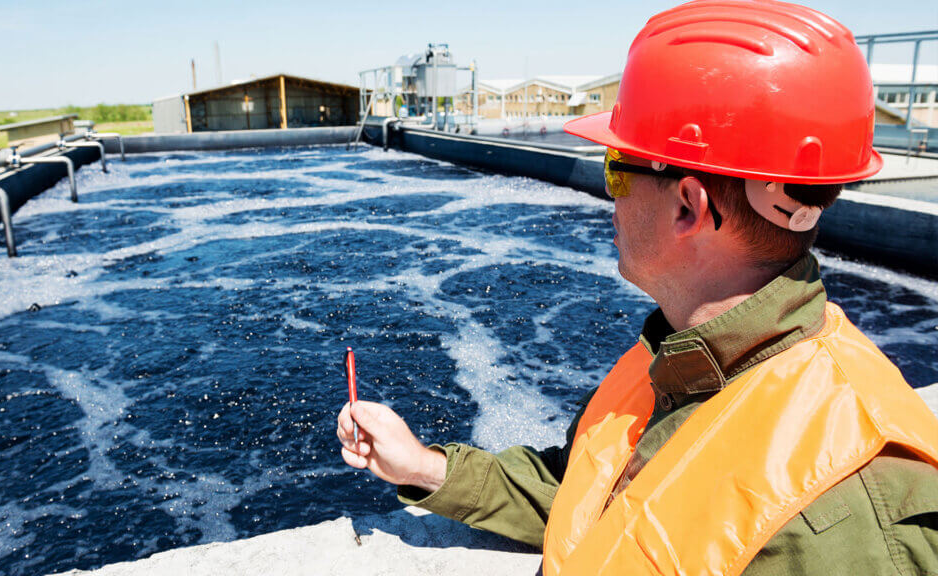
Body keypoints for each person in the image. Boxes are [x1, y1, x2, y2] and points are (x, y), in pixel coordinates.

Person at [337, 1, 938, 574]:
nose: (608, 199)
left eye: (615, 169)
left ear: (687, 206)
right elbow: (592, 497)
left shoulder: (852, 517)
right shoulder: (683, 357)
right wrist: (422, 466)